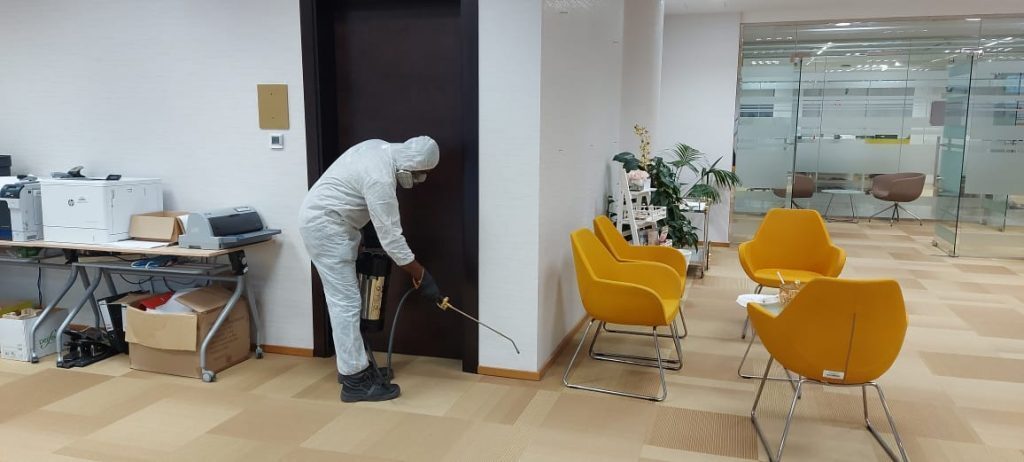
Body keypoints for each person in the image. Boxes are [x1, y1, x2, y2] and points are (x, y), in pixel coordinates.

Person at [299, 136, 442, 403]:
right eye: (420, 174)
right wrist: (421, 275)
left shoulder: (379, 148)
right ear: (409, 166)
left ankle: (357, 365)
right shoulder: (381, 178)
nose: (419, 179)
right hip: (325, 227)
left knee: (346, 301)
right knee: (346, 302)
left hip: (333, 224)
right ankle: (355, 381)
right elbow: (392, 239)